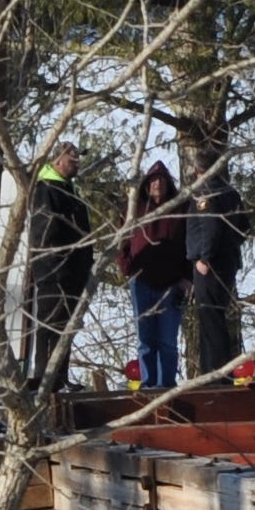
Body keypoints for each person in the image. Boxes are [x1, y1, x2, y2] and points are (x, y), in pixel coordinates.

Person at [21, 146, 100, 391]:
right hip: (54, 272)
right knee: (50, 325)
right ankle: (45, 378)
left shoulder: (70, 189)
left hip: (75, 272)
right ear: (57, 161)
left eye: (78, 159)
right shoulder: (46, 189)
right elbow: (46, 232)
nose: (77, 163)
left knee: (66, 327)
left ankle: (60, 377)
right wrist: (65, 257)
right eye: (72, 159)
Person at [182, 157, 251, 383]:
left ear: (199, 170)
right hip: (227, 263)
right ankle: (215, 373)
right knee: (215, 316)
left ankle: (217, 375)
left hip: (209, 266)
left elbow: (211, 226)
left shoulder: (206, 192)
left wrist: (205, 258)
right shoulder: (231, 192)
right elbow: (244, 227)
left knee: (210, 317)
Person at [119, 158, 186, 388]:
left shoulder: (179, 210)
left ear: (168, 183)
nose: (157, 184)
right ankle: (148, 385)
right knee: (145, 340)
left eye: (162, 180)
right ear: (147, 184)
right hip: (141, 281)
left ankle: (166, 385)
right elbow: (121, 241)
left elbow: (190, 243)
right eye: (153, 180)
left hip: (171, 283)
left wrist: (186, 278)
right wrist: (127, 268)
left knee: (167, 340)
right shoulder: (135, 209)